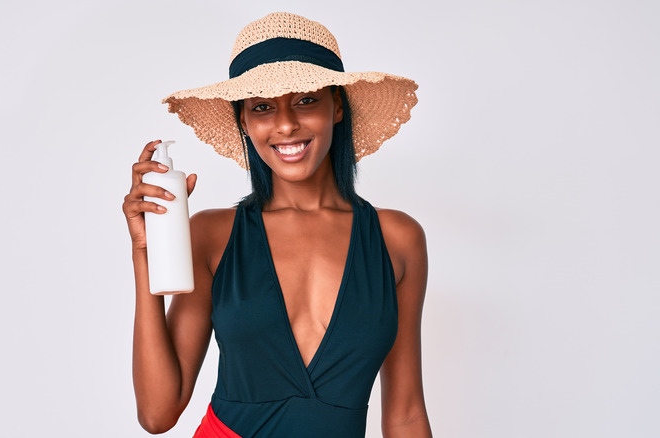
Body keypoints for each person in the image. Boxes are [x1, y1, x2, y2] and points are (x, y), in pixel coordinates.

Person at [122, 12, 431, 437]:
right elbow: (158, 414)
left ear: (336, 106)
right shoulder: (213, 236)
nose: (286, 125)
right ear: (244, 123)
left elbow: (407, 413)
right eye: (263, 108)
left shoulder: (397, 240)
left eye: (306, 100)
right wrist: (145, 251)